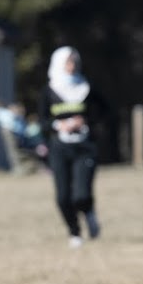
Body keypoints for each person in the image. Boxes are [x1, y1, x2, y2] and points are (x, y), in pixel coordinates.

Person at [39, 46, 107, 248]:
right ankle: (74, 232)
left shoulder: (86, 87)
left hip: (84, 147)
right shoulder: (49, 91)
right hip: (59, 148)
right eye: (68, 62)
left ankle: (88, 212)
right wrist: (58, 125)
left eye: (75, 61)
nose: (72, 65)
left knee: (81, 195)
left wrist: (86, 122)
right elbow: (42, 121)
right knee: (63, 197)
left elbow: (105, 112)